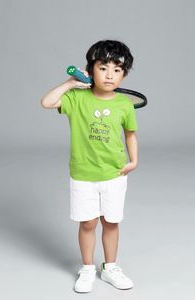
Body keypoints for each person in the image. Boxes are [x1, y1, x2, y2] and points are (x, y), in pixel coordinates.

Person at [41, 40, 138, 293]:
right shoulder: (76, 98)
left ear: (124, 74)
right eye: (103, 67)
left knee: (111, 222)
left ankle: (110, 268)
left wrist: (134, 160)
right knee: (88, 224)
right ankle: (87, 269)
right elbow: (47, 102)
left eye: (117, 69)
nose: (110, 74)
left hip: (114, 174)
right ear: (90, 70)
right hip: (83, 175)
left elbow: (130, 134)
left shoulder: (124, 105)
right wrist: (71, 83)